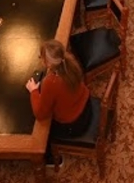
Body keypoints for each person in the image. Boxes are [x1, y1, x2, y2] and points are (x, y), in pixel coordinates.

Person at [27, 39, 92, 169]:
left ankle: (50, 158)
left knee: (41, 130)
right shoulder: (70, 61)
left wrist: (34, 91)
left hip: (74, 124)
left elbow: (40, 113)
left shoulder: (51, 82)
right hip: (87, 106)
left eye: (42, 58)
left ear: (48, 63)